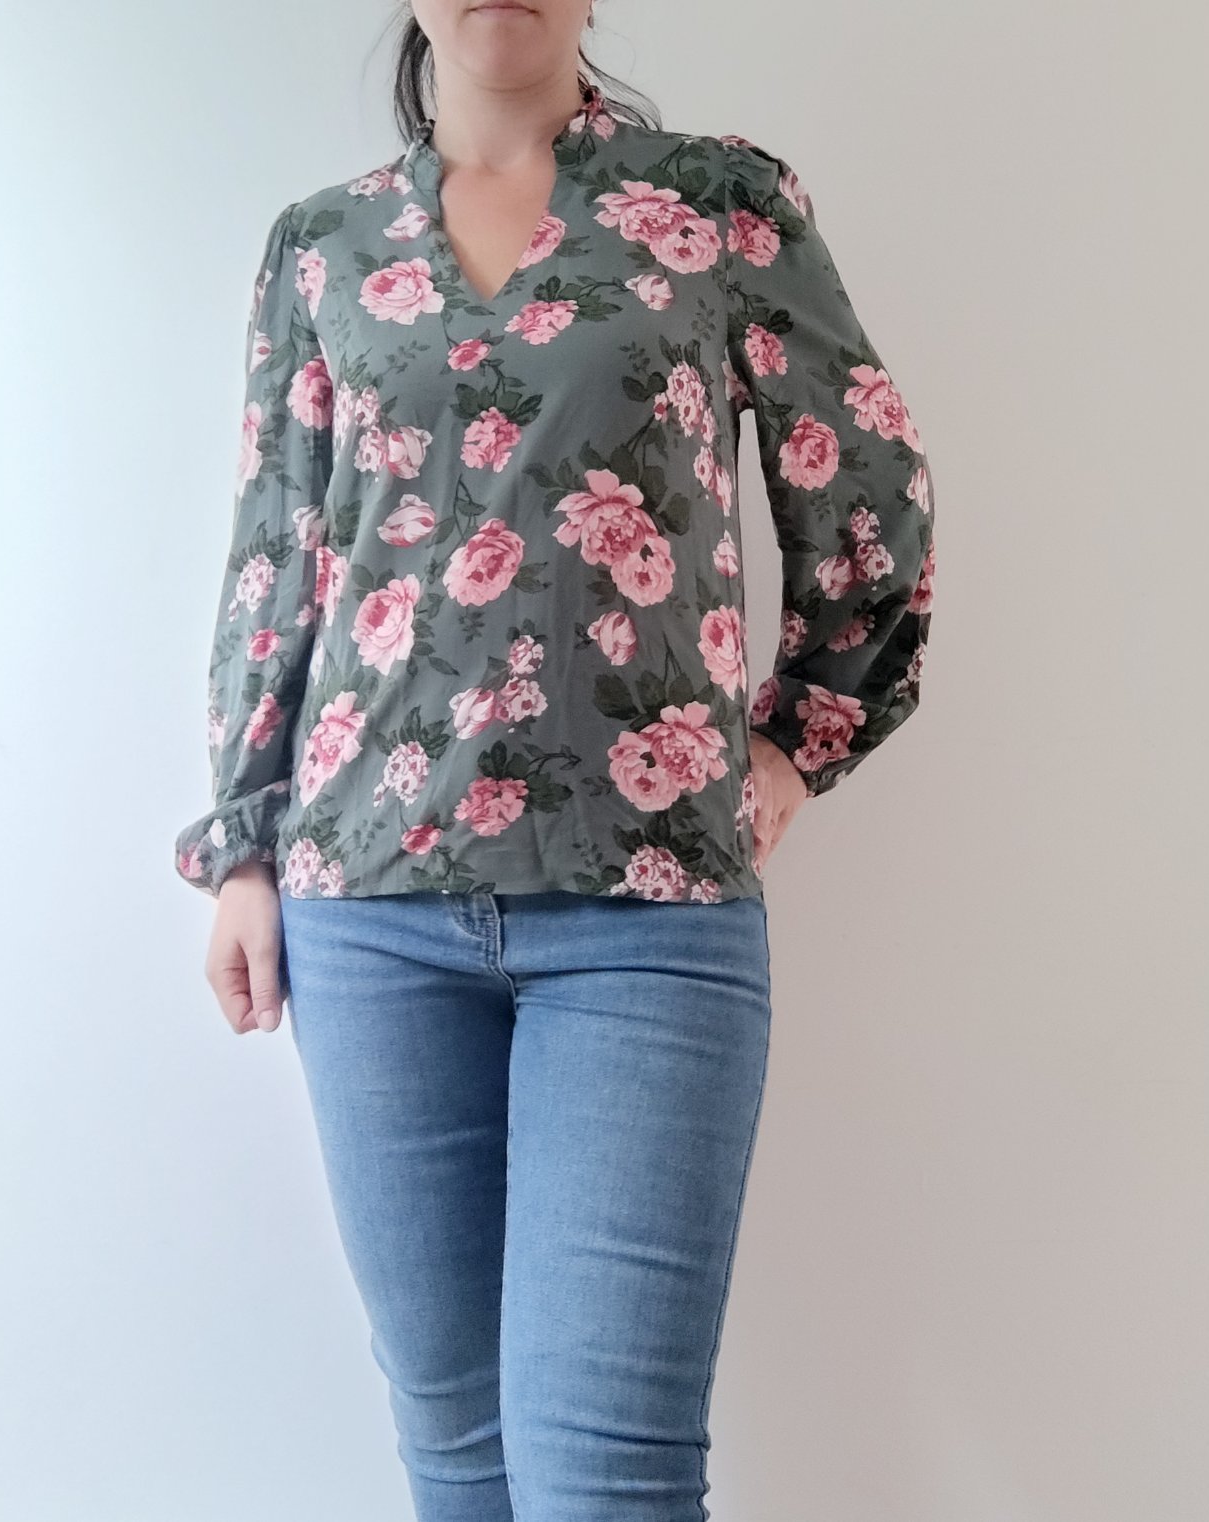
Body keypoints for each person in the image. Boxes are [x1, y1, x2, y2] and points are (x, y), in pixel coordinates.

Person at [172, 3, 937, 1516]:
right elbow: (278, 549)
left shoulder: (719, 202)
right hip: (366, 909)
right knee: (458, 1453)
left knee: (608, 1473)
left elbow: (866, 482)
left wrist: (802, 734)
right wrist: (243, 848)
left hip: (649, 918)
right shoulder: (321, 245)